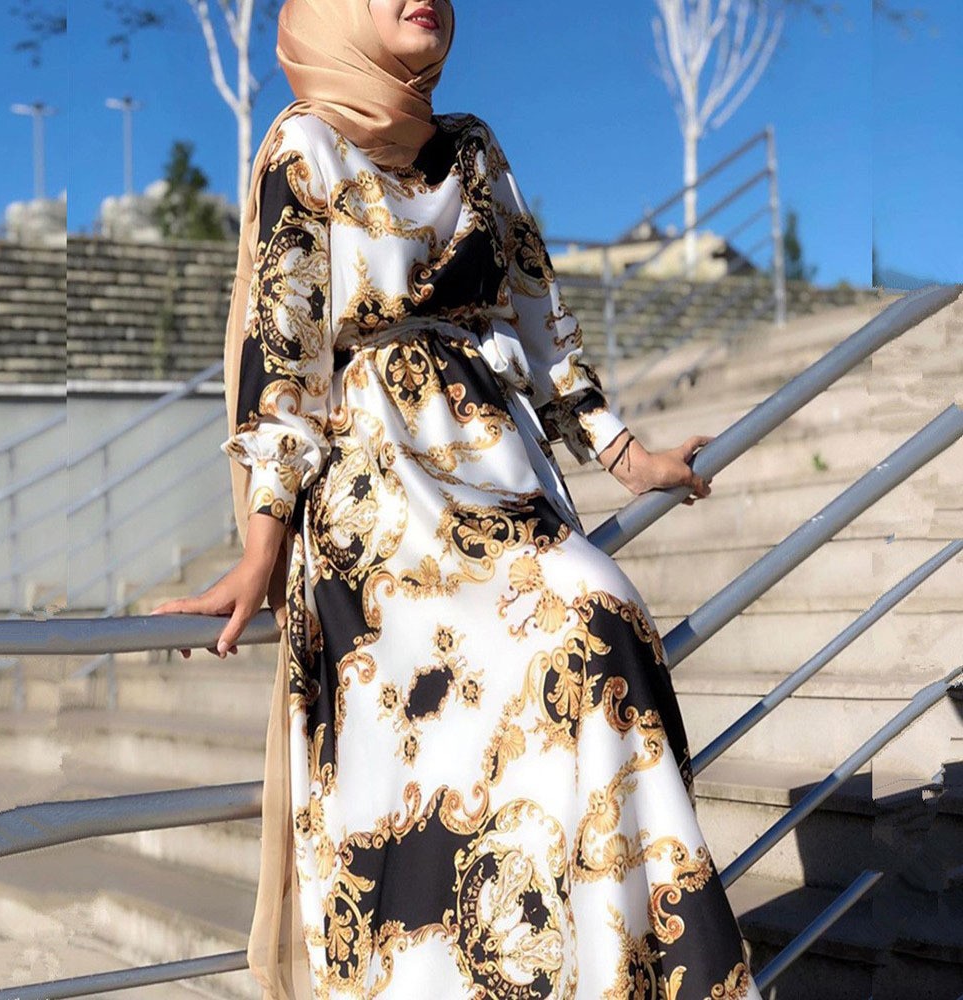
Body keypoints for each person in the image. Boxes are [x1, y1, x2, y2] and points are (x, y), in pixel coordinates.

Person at [152, 1, 762, 997]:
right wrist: (261, 548)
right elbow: (286, 360)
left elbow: (542, 320)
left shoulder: (473, 149)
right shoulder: (303, 147)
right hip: (377, 507)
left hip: (500, 472)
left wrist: (627, 456)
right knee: (456, 741)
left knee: (601, 617)